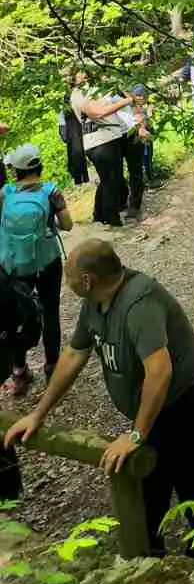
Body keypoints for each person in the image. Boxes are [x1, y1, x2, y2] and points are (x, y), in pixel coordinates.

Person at [5, 240, 194, 555]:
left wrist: (136, 434)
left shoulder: (139, 303)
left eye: (69, 278)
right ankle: (151, 557)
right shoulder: (94, 302)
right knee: (150, 486)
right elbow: (73, 355)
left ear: (88, 279)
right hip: (153, 411)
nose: (66, 284)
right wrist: (38, 414)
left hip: (185, 403)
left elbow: (159, 372)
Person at [0, 143, 72, 396]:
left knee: (15, 316)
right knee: (51, 311)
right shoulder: (51, 191)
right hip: (47, 261)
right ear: (39, 166)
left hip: (14, 265)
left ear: (15, 170)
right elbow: (68, 225)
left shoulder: (5, 193)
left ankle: (19, 372)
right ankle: (52, 368)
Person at [69, 70, 143, 227]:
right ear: (74, 78)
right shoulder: (78, 94)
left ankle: (105, 216)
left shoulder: (93, 90)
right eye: (81, 73)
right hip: (99, 143)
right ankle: (112, 220)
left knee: (114, 181)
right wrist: (126, 101)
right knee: (110, 183)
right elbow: (97, 112)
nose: (86, 76)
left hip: (110, 139)